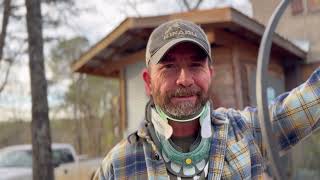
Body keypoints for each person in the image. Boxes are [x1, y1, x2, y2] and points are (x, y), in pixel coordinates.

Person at [94, 19, 320, 180]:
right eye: (169, 67)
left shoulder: (244, 131)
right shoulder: (118, 166)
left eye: (195, 65)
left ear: (210, 73)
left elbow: (308, 104)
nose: (184, 80)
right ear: (148, 82)